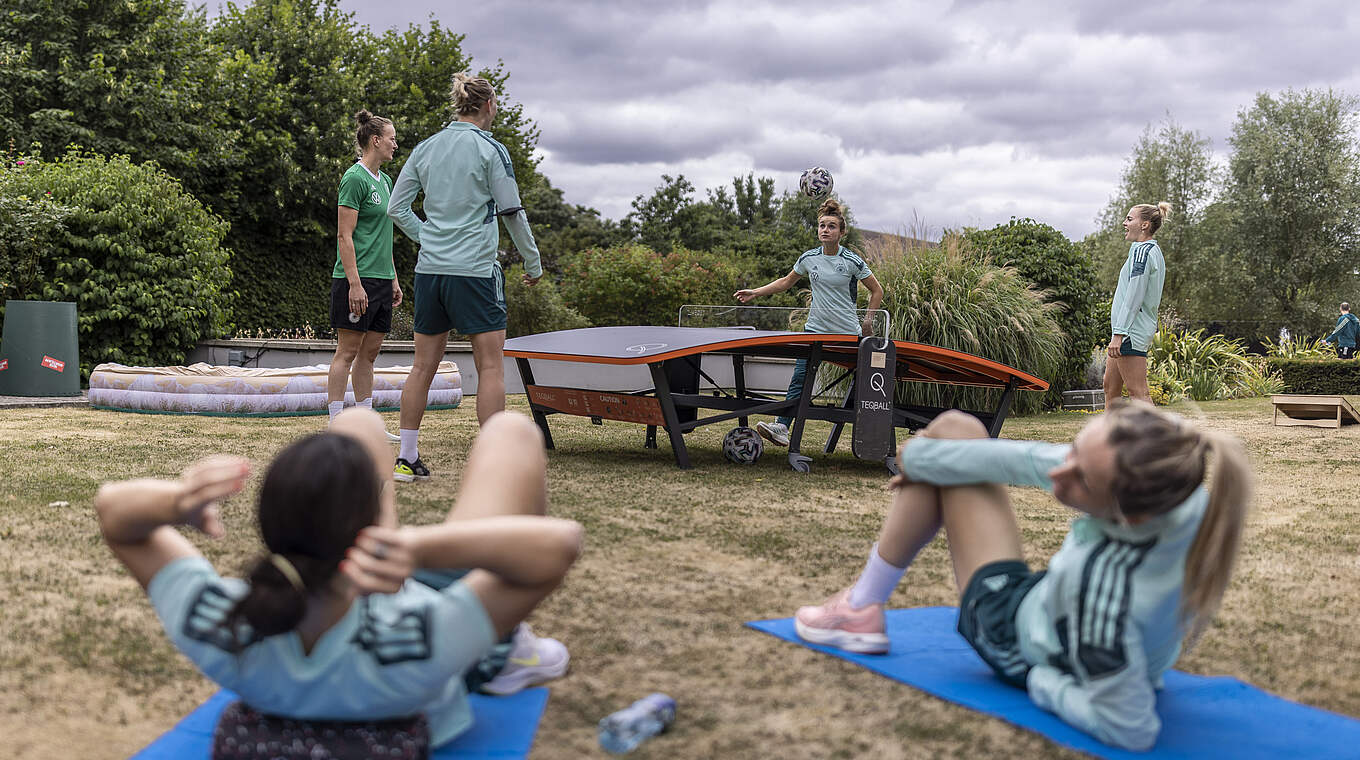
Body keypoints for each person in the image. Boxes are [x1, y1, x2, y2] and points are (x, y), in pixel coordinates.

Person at [94, 408, 582, 748]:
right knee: (511, 431)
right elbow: (557, 546)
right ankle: (512, 648)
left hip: (373, 607)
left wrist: (178, 500)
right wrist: (415, 548)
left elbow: (114, 511)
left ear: (272, 528)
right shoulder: (422, 639)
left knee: (355, 424)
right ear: (371, 530)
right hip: (418, 609)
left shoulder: (226, 625)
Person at [791, 401, 1251, 751]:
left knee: (951, 437)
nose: (1059, 473)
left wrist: (1042, 684)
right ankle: (862, 604)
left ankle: (860, 606)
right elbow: (1039, 461)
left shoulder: (1105, 598)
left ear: (1127, 517)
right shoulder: (1182, 491)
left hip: (1015, 636)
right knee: (955, 432)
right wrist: (924, 461)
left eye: (1081, 481)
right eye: (1073, 451)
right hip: (1054, 609)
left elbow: (1129, 728)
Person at [388, 73, 544, 483]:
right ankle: (494, 465)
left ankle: (406, 458)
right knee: (490, 367)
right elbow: (511, 211)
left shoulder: (426, 147)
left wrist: (429, 238)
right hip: (474, 273)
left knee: (422, 367)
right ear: (488, 105)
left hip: (430, 272)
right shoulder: (492, 150)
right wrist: (532, 261)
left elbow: (396, 208)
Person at [733, 198, 884, 446]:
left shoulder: (852, 261)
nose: (825, 229)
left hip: (846, 335)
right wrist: (755, 292)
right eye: (822, 225)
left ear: (841, 232)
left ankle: (872, 436)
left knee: (867, 383)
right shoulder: (808, 258)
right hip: (814, 331)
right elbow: (785, 282)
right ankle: (781, 427)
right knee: (799, 379)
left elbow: (876, 291)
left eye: (832, 226)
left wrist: (867, 323)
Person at [327, 110, 402, 439]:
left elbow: (385, 236)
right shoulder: (354, 178)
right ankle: (335, 424)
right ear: (375, 140)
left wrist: (394, 278)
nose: (395, 144)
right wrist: (355, 285)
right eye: (391, 138)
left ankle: (367, 425)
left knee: (369, 354)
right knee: (347, 351)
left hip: (382, 280)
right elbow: (345, 236)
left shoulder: (385, 181)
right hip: (354, 280)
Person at [1105, 202, 1171, 410]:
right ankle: (1111, 441)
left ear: (1144, 225)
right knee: (1110, 388)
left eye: (1129, 219)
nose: (1124, 223)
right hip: (1124, 331)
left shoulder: (1143, 253)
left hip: (1129, 332)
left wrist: (1120, 333)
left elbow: (1134, 296)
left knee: (1138, 394)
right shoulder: (1144, 250)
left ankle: (1159, 442)